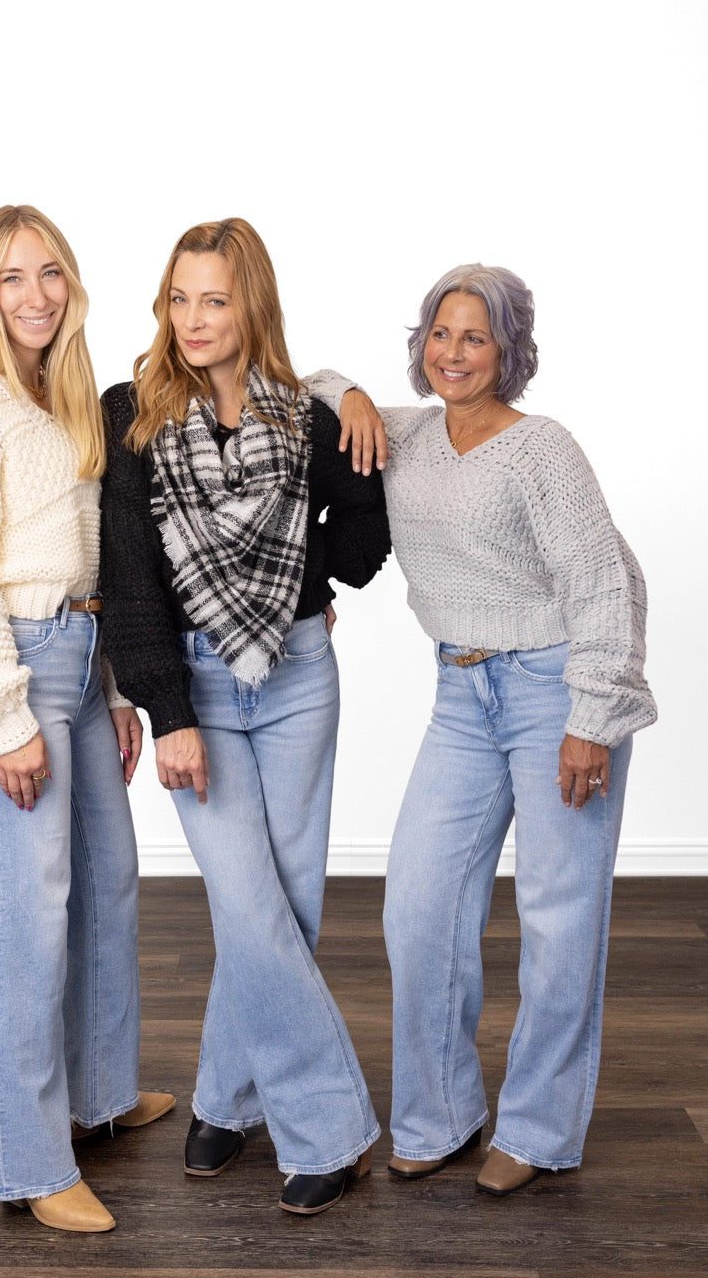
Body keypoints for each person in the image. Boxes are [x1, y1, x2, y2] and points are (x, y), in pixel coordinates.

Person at [307, 264, 657, 1195]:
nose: (452, 353)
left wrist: (592, 715)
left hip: (555, 690)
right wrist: (347, 392)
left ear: (508, 350)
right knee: (418, 905)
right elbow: (300, 388)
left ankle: (537, 1131)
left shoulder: (541, 448)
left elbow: (603, 582)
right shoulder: (407, 433)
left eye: (475, 337)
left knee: (557, 917)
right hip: (460, 696)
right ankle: (439, 1116)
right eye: (439, 333)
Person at [99, 218, 390, 1215]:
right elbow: (129, 579)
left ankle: (226, 1095)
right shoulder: (132, 413)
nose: (193, 319)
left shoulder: (304, 415)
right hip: (198, 687)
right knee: (248, 901)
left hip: (299, 675)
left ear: (249, 303)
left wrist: (305, 579)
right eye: (179, 298)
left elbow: (362, 530)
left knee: (283, 903)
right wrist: (167, 711)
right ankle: (333, 1130)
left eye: (214, 299)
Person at [0, 205, 175, 1234]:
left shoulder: (58, 393)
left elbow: (82, 554)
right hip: (6, 673)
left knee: (105, 884)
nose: (35, 294)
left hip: (76, 665)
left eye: (50, 272)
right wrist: (0, 713)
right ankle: (26, 1158)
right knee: (27, 924)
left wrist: (112, 689)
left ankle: (97, 1094)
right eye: (12, 276)